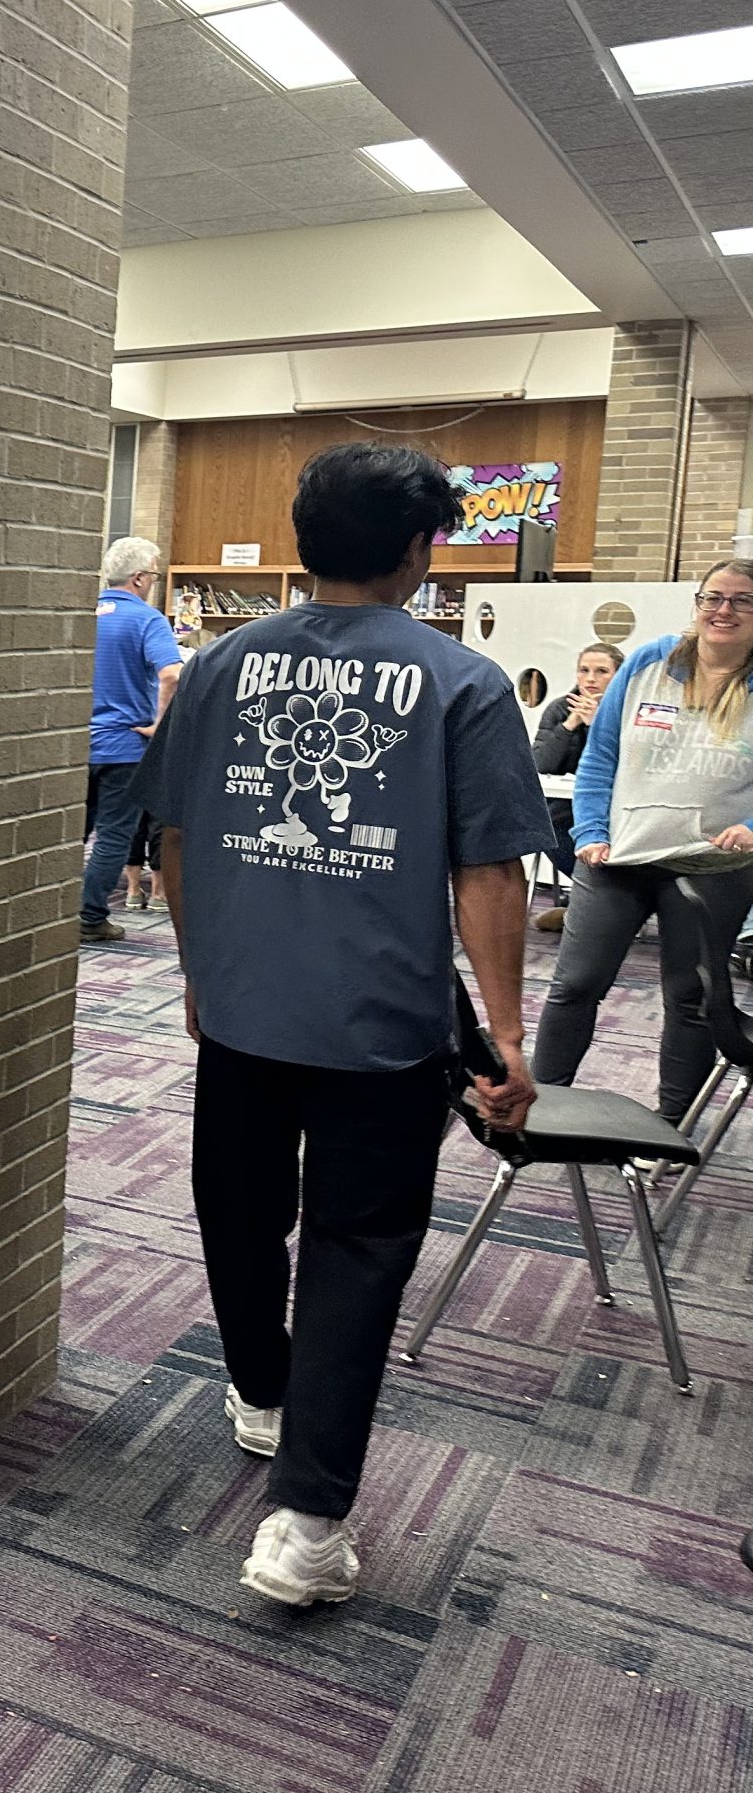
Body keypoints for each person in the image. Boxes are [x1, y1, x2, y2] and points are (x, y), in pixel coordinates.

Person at [139, 442, 549, 1608]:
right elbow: (488, 872)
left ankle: (262, 1392)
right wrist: (509, 1038)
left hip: (243, 1012)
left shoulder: (216, 669)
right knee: (355, 1255)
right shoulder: (459, 682)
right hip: (382, 1026)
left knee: (237, 1211)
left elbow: (170, 836)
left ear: (303, 538)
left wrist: (197, 965)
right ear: (420, 553)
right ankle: (307, 1524)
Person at [531, 562, 753, 1120]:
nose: (723, 611)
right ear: (698, 603)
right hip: (618, 857)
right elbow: (602, 756)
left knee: (691, 1000)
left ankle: (672, 1128)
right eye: (714, 597)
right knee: (574, 985)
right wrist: (590, 830)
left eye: (742, 601)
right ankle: (535, 1110)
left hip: (712, 867)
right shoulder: (652, 662)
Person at [81, 536, 182, 942]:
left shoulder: (86, 613)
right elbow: (173, 674)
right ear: (139, 578)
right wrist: (160, 725)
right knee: (114, 836)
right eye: (155, 574)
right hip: (122, 748)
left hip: (78, 744)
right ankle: (89, 917)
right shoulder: (147, 620)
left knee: (72, 834)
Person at [528, 642, 622, 931]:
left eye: (601, 671)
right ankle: (590, 895)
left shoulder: (626, 706)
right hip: (566, 801)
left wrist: (597, 724)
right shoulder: (560, 707)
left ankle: (592, 900)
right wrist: (570, 724)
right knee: (543, 822)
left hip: (614, 801)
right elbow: (540, 763)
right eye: (584, 670)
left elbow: (623, 763)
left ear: (618, 675)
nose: (590, 679)